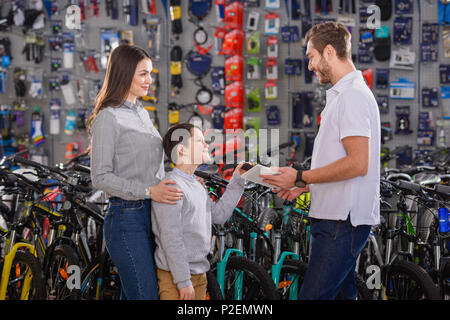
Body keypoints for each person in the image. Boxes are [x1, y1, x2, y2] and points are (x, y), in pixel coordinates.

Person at [260, 21, 381, 300]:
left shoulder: (352, 96)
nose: (310, 65)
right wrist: (307, 186)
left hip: (341, 223)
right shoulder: (343, 95)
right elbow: (340, 160)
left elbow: (357, 163)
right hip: (335, 219)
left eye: (311, 56)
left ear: (329, 52)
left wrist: (301, 177)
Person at [88, 44, 184, 300]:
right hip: (125, 219)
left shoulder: (141, 112)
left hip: (151, 215)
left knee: (136, 293)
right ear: (124, 72)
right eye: (143, 74)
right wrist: (148, 190)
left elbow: (151, 166)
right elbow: (100, 177)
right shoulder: (108, 118)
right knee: (145, 295)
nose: (149, 80)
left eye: (150, 73)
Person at [151, 123, 247, 300]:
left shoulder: (196, 184)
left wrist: (238, 180)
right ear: (181, 150)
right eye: (199, 141)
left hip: (199, 275)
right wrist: (183, 281)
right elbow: (170, 238)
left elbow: (218, 215)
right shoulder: (171, 186)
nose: (206, 145)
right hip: (176, 278)